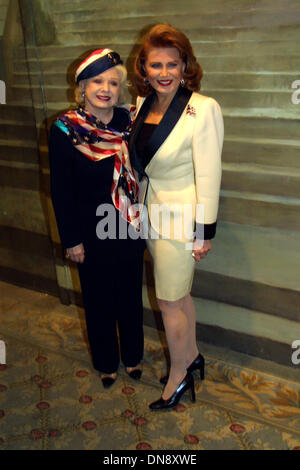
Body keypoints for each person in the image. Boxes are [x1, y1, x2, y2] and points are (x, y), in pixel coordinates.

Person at [129, 25, 223, 410]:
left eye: (172, 63)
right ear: (145, 68)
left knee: (168, 301)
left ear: (185, 64)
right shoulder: (141, 104)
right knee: (179, 297)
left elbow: (210, 174)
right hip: (151, 215)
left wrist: (204, 233)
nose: (164, 72)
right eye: (156, 65)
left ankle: (180, 377)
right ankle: (194, 355)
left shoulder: (203, 108)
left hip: (182, 222)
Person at [49, 48, 145, 389]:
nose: (106, 88)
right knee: (98, 298)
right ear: (83, 87)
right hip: (90, 230)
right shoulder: (65, 129)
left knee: (131, 296)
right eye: (97, 81)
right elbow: (60, 189)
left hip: (130, 225)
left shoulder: (130, 122)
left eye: (113, 83)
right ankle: (106, 362)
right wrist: (71, 239)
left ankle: (133, 357)